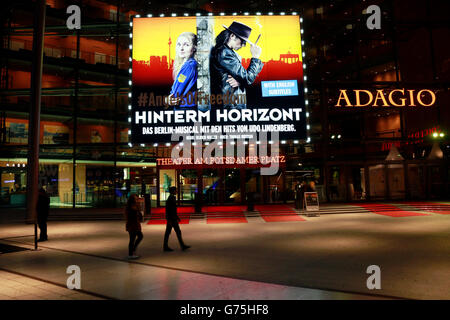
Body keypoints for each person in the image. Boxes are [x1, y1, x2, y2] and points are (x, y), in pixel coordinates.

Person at [210, 21, 264, 109]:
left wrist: (240, 81)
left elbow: (245, 78)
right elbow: (247, 78)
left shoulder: (229, 52)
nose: (243, 45)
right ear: (232, 36)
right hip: (231, 104)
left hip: (233, 102)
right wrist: (255, 57)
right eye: (242, 41)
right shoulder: (225, 53)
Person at [168, 32, 198, 110]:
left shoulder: (189, 66)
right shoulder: (189, 64)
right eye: (179, 44)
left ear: (194, 48)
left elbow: (176, 93)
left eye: (186, 45)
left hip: (185, 109)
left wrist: (169, 98)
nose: (181, 48)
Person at [164, 186, 190, 252]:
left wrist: (176, 216)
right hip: (172, 218)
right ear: (173, 191)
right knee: (174, 232)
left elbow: (172, 209)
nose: (176, 191)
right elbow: (169, 210)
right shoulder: (171, 198)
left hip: (172, 218)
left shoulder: (171, 198)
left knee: (170, 232)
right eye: (175, 190)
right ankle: (181, 245)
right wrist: (170, 219)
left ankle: (167, 246)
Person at [124, 194, 143, 259]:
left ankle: (133, 250)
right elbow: (131, 217)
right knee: (132, 239)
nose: (137, 200)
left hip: (135, 224)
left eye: (137, 198)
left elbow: (139, 216)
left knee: (140, 236)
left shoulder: (135, 206)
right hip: (132, 225)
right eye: (136, 199)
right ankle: (130, 254)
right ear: (132, 200)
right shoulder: (130, 207)